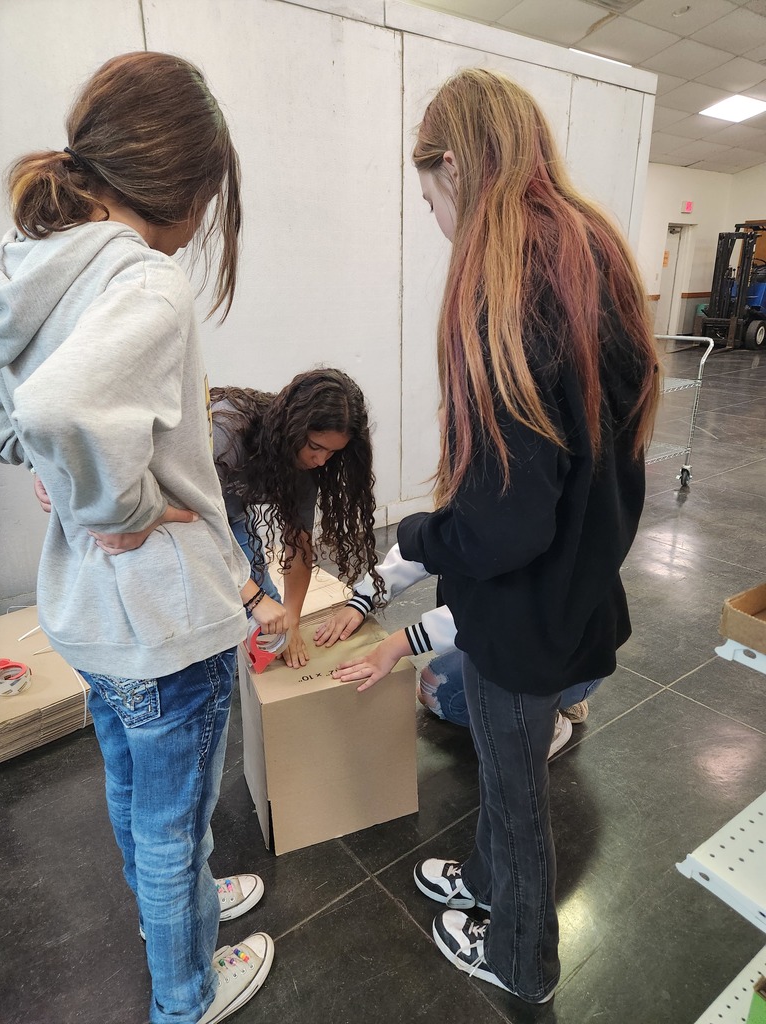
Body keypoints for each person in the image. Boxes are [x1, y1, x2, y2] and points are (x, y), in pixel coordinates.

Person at [338, 68, 659, 1004]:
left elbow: (506, 519)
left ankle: (522, 959)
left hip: (523, 612)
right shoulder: (589, 246)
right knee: (502, 765)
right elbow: (594, 463)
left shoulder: (502, 279)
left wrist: (424, 534)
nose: (435, 218)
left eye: (430, 196)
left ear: (450, 165)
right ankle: (480, 887)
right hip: (576, 587)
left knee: (515, 799)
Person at [0, 52, 286, 1024]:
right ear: (187, 185)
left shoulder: (36, 262)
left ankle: (176, 908)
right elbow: (61, 405)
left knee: (135, 790)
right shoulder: (150, 285)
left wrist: (55, 475)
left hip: (91, 618)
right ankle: (187, 990)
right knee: (172, 822)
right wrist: (112, 505)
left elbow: (24, 411)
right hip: (166, 620)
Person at [317, 541, 598, 751]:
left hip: (565, 652)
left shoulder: (525, 521)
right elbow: (430, 542)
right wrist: (363, 598)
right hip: (563, 647)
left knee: (437, 690)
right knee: (456, 671)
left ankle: (543, 723)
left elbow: (497, 608)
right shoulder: (491, 496)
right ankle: (561, 695)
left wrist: (395, 645)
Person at [211, 370, 384, 668]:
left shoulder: (310, 464)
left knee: (272, 624)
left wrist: (291, 619)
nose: (321, 461)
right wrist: (254, 600)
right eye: (316, 447)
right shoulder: (224, 433)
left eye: (332, 452)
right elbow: (200, 533)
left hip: (230, 513)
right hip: (182, 521)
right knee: (228, 616)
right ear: (291, 428)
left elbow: (299, 545)